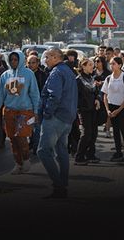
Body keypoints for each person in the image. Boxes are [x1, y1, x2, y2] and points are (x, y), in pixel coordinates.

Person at [37, 47, 78, 199]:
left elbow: (54, 96)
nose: (45, 60)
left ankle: (59, 186)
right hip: (67, 118)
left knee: (43, 152)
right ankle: (62, 186)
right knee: (61, 150)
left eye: (47, 57)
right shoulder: (68, 71)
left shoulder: (56, 72)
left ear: (55, 57)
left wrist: (47, 113)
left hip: (56, 118)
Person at [0, 51, 40, 175]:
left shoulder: (29, 74)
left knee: (21, 137)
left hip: (25, 111)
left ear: (21, 60)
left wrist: (36, 111)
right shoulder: (5, 75)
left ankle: (26, 160)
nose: (14, 62)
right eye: (12, 59)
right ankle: (18, 163)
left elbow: (34, 93)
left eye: (16, 59)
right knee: (12, 139)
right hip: (9, 111)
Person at [75, 58, 101, 165]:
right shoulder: (78, 80)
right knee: (86, 133)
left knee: (94, 133)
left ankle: (90, 154)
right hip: (84, 109)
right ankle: (79, 156)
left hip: (93, 109)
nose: (92, 66)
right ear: (83, 66)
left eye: (92, 64)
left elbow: (96, 93)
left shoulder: (92, 78)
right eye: (90, 65)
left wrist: (97, 99)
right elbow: (75, 96)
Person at [102, 56, 124, 161]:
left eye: (113, 64)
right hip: (111, 106)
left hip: (122, 107)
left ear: (120, 65)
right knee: (116, 131)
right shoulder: (108, 78)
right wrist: (108, 109)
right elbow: (105, 95)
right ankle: (118, 152)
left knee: (123, 130)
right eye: (110, 64)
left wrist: (119, 110)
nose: (111, 66)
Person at [26, 54, 48, 152]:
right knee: (28, 126)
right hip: (26, 105)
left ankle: (36, 147)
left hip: (39, 104)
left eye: (33, 63)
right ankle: (31, 143)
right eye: (29, 63)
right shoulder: (24, 74)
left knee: (37, 126)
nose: (30, 65)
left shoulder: (43, 75)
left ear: (38, 63)